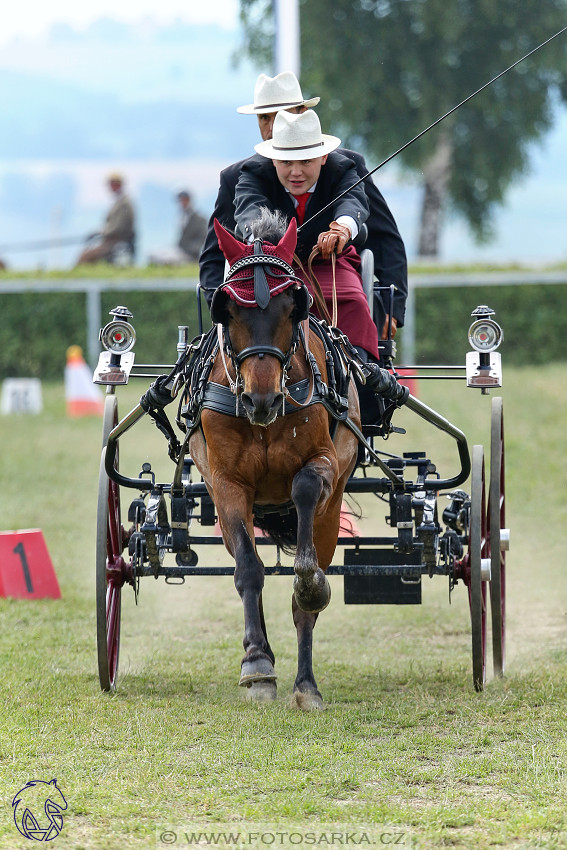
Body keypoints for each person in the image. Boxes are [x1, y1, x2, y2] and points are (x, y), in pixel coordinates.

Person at [199, 71, 408, 340]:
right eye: (265, 118)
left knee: (354, 306)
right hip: (266, 283)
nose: (274, 127)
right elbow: (216, 252)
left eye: (283, 115)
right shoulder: (239, 177)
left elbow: (382, 235)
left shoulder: (345, 166)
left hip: (333, 273)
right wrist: (222, 311)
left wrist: (392, 305)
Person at [234, 109, 379, 362]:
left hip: (330, 263)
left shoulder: (343, 168)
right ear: (273, 160)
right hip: (271, 268)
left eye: (305, 161)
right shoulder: (253, 173)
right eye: (287, 162)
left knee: (355, 303)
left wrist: (342, 229)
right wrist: (263, 240)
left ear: (323, 157)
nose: (296, 172)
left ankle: (363, 380)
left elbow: (352, 200)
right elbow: (249, 211)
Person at [76, 172, 135, 265]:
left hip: (117, 242)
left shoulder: (124, 204)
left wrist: (102, 232)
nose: (110, 188)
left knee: (85, 257)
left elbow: (119, 227)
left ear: (117, 185)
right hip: (111, 241)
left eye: (112, 184)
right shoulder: (119, 202)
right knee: (85, 253)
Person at [148, 190, 207, 265]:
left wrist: (191, 249)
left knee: (167, 260)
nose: (182, 203)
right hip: (179, 249)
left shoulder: (200, 219)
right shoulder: (181, 217)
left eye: (184, 200)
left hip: (190, 254)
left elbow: (203, 238)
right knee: (153, 255)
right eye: (181, 200)